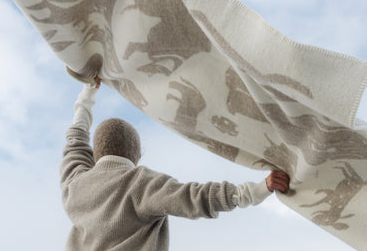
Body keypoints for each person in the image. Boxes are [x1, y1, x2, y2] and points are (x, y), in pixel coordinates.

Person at [60, 79, 290, 251]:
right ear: (137, 155)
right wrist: (256, 191)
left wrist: (87, 93)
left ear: (96, 152)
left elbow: (76, 138)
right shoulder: (138, 184)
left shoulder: (75, 185)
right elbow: (194, 198)